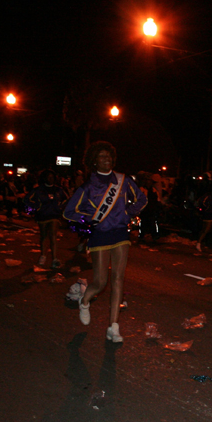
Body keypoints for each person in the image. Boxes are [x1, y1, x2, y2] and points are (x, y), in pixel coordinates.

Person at [63, 141, 147, 343]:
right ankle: (84, 301)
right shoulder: (87, 186)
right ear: (94, 161)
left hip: (120, 234)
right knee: (100, 282)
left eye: (108, 156)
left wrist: (129, 212)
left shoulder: (123, 180)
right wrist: (88, 219)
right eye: (101, 156)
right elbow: (68, 212)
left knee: (118, 279)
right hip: (100, 235)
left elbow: (142, 199)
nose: (106, 159)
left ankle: (113, 327)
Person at [25, 169, 68, 269]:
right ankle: (43, 255)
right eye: (49, 177)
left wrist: (60, 207)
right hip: (42, 216)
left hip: (54, 215)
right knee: (44, 236)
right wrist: (36, 206)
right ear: (44, 178)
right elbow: (27, 199)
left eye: (52, 177)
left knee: (53, 236)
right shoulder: (39, 190)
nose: (51, 179)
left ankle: (54, 258)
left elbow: (67, 199)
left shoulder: (58, 190)